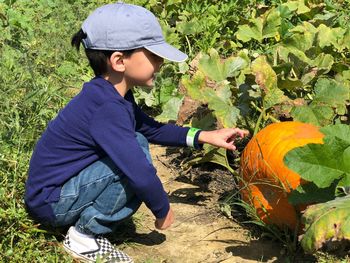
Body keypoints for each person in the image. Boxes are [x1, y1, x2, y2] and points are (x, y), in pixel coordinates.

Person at [24, 2, 249, 262]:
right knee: (135, 155)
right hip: (52, 202)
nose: (161, 62)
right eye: (153, 55)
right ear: (119, 61)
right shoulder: (107, 107)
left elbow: (148, 128)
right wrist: (162, 209)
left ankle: (85, 223)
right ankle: (84, 237)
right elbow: (139, 172)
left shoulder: (110, 94)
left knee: (138, 140)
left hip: (57, 191)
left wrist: (203, 136)